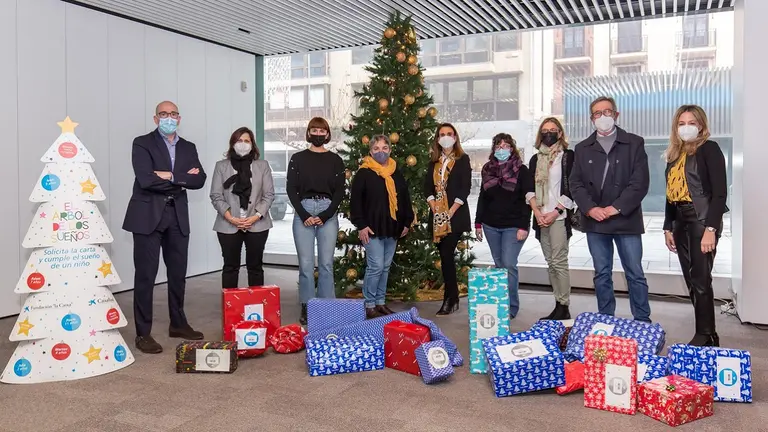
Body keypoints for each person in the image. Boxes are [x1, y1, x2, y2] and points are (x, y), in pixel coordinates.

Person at [123, 101, 207, 354]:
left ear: (179, 118)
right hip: (148, 215)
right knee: (146, 275)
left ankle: (178, 323)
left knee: (178, 273)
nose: (168, 117)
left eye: (172, 114)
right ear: (155, 118)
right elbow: (145, 179)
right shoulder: (142, 143)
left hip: (177, 216)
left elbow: (199, 179)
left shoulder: (188, 147)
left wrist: (169, 175)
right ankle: (143, 333)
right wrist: (182, 179)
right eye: (163, 114)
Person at [569, 96, 652, 322]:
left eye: (607, 112)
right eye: (597, 113)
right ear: (591, 118)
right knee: (602, 274)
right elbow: (575, 183)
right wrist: (590, 209)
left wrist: (616, 208)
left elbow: (640, 183)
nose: (602, 117)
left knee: (635, 273)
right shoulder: (582, 148)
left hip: (626, 219)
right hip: (596, 221)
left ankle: (642, 320)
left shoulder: (634, 143)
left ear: (616, 115)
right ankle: (606, 319)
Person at [663, 105, 727, 347]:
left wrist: (711, 229)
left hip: (701, 221)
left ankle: (705, 333)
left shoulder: (709, 149)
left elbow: (720, 194)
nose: (686, 127)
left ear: (700, 125)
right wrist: (668, 227)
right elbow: (670, 193)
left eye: (691, 122)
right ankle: (708, 333)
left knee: (701, 278)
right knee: (691, 280)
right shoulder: (674, 153)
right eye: (681, 123)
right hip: (679, 221)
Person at [287, 117, 345, 325]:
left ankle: (327, 305)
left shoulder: (336, 160)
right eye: (314, 130)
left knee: (326, 263)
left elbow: (340, 191)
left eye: (322, 130)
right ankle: (308, 305)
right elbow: (291, 189)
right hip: (303, 210)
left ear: (328, 134)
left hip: (327, 212)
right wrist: (304, 215)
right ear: (309, 133)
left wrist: (325, 215)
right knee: (305, 264)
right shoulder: (297, 158)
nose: (318, 134)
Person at [350, 135, 414, 319]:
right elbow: (355, 202)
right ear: (370, 151)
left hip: (392, 227)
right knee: (376, 265)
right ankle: (369, 304)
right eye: (376, 148)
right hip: (371, 228)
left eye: (384, 148)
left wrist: (406, 222)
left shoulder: (396, 172)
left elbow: (404, 199)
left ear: (390, 150)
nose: (380, 151)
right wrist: (361, 225)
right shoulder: (363, 173)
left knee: (385, 267)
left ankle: (380, 302)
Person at [474, 133, 532, 320]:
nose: (502, 149)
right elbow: (483, 198)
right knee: (500, 266)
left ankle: (512, 306)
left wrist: (524, 225)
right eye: (498, 146)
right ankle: (500, 303)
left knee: (508, 264)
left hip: (514, 226)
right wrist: (478, 223)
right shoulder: (487, 169)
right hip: (491, 225)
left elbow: (527, 200)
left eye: (506, 146)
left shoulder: (521, 170)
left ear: (512, 148)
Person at [210, 126, 274, 288]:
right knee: (230, 267)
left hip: (257, 224)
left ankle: (256, 309)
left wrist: (255, 216)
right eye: (239, 140)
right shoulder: (221, 166)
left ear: (252, 144)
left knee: (255, 267)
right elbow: (216, 195)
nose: (243, 144)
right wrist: (231, 217)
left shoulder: (262, 165)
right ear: (232, 143)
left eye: (247, 141)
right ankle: (231, 310)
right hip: (228, 224)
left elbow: (269, 195)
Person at [527, 117, 576, 321]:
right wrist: (538, 213)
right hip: (540, 216)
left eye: (553, 130)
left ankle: (564, 306)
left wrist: (554, 212)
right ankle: (557, 304)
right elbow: (529, 190)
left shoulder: (568, 157)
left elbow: (573, 187)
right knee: (550, 263)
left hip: (558, 216)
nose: (549, 133)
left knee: (559, 262)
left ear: (560, 133)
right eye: (545, 130)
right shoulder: (535, 159)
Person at [424, 123, 471, 316]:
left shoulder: (463, 159)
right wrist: (433, 205)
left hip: (455, 215)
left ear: (455, 137)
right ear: (437, 139)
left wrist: (450, 211)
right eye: (442, 134)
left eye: (449, 134)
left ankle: (449, 299)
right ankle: (452, 297)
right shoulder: (433, 161)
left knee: (446, 254)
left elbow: (465, 187)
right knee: (445, 258)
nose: (445, 137)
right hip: (437, 217)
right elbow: (427, 186)